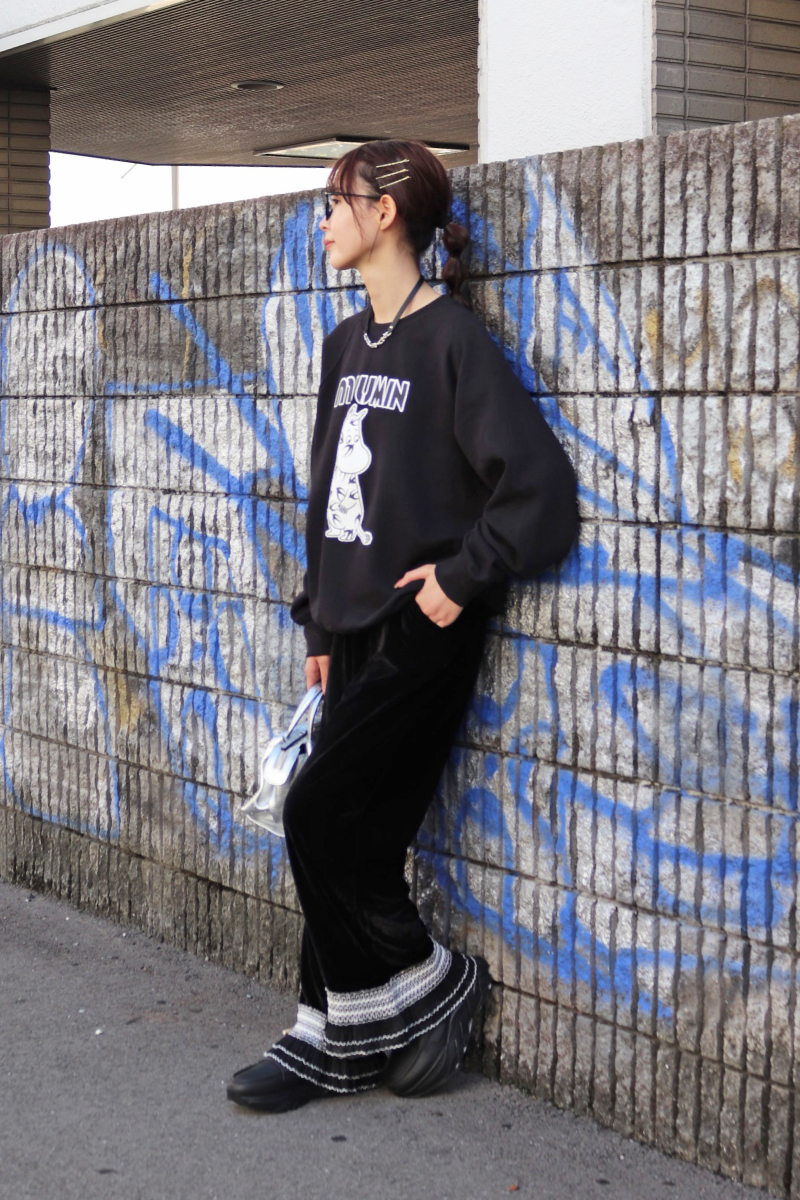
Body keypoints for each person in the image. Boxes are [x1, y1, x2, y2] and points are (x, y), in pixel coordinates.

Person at [227, 140, 579, 1113]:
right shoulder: (345, 343)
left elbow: (539, 492)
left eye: (334, 201)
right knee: (358, 839)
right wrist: (316, 627)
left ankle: (420, 981)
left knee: (315, 815)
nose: (321, 220)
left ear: (385, 213)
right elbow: (325, 500)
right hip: (346, 629)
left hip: (420, 628)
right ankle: (331, 1033)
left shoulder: (451, 342)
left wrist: (460, 578)